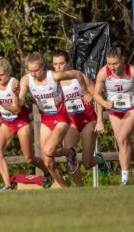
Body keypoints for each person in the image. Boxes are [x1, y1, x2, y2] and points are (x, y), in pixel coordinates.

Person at [19, 52, 91, 188]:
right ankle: (64, 189)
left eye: (36, 70)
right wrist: (17, 100)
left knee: (48, 150)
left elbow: (77, 74)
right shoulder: (26, 80)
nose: (33, 74)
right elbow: (21, 100)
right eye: (31, 71)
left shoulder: (54, 76)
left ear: (43, 67)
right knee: (48, 162)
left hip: (61, 118)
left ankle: (70, 152)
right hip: (46, 119)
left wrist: (86, 92)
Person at [0, 57, 51, 190]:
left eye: (2, 75)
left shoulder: (14, 83)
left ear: (8, 72)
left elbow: (16, 109)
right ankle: (7, 185)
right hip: (7, 122)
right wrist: (0, 108)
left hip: (21, 121)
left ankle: (48, 172)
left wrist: (1, 103)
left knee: (29, 158)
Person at [53, 50, 109, 186]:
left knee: (87, 163)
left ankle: (99, 159)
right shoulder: (54, 83)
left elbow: (97, 94)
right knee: (70, 158)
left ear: (68, 64)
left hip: (88, 120)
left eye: (61, 63)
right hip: (71, 123)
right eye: (55, 64)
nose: (58, 67)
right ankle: (80, 189)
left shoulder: (78, 77)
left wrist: (91, 96)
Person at [93, 45, 134, 185]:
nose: (112, 67)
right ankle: (127, 173)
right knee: (122, 142)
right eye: (109, 63)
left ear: (123, 60)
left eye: (115, 63)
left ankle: (124, 179)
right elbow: (96, 95)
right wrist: (103, 109)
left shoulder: (131, 71)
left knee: (122, 137)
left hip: (131, 109)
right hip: (114, 111)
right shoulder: (103, 72)